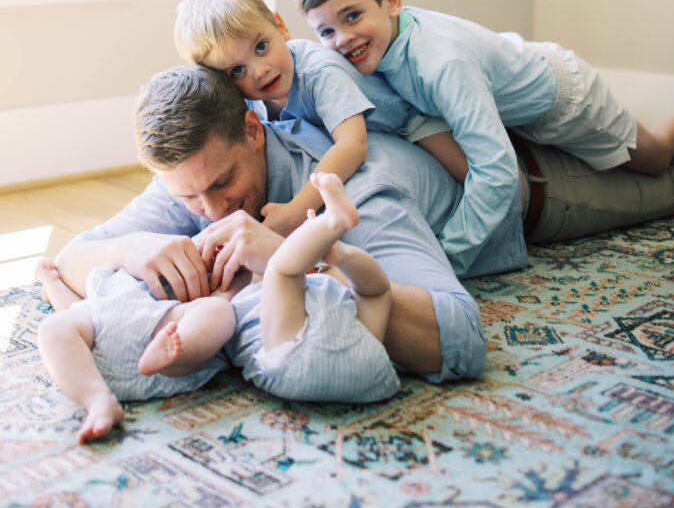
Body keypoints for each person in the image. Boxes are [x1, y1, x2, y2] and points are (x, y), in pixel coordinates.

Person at [54, 65, 487, 383]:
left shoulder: (355, 190)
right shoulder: (195, 179)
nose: (210, 210)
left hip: (542, 197)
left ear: (253, 130)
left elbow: (461, 338)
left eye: (224, 182)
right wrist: (129, 249)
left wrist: (294, 264)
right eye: (188, 197)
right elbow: (71, 257)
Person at [294, 0, 674, 276]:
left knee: (654, 156)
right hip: (521, 105)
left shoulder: (441, 63)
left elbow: (498, 173)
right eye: (326, 31)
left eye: (352, 16)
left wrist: (448, 257)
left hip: (568, 102)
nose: (343, 38)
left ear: (391, 0)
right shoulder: (388, 47)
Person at [36, 172, 400, 444]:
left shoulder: (224, 303)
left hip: (199, 342)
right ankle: (98, 400)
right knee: (56, 327)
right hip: (371, 367)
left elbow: (280, 272)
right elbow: (75, 312)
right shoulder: (111, 290)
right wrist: (53, 283)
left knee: (234, 305)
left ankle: (174, 359)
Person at [173, 0, 468, 237]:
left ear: (281, 27)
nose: (259, 71)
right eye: (237, 70)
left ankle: (514, 216)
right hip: (383, 138)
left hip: (412, 119)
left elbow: (353, 145)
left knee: (474, 176)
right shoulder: (248, 97)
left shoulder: (318, 72)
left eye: (261, 47)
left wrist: (295, 211)